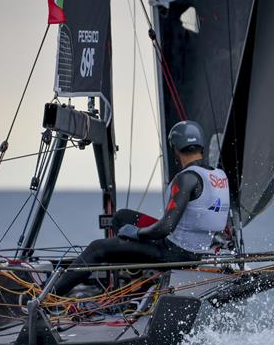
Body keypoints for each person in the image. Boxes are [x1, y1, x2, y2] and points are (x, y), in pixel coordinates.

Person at [50, 120, 230, 296]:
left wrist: (136, 234)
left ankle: (50, 298)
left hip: (178, 254)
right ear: (201, 147)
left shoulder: (186, 178)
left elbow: (166, 228)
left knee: (97, 248)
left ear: (174, 148)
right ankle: (136, 274)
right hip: (201, 249)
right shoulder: (218, 176)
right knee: (121, 217)